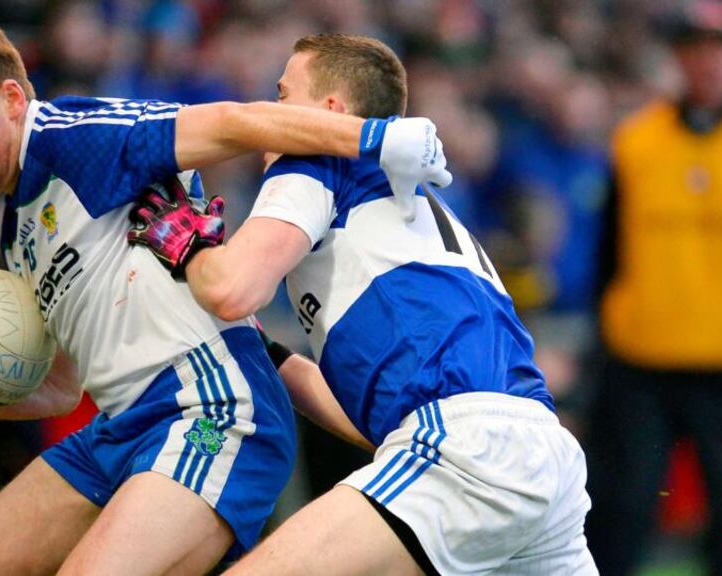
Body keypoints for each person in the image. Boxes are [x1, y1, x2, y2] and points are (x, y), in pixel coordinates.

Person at [0, 17, 451, 575]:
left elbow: (231, 122)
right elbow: (60, 389)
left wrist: (374, 139)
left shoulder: (76, 138)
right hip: (120, 428)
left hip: (209, 409)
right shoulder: (18, 230)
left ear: (10, 99)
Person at [128, 33, 597, 575]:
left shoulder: (317, 162)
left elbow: (231, 290)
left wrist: (189, 246)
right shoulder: (414, 206)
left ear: (331, 112)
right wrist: (262, 350)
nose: (267, 115)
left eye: (282, 96)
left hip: (464, 446)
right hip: (541, 452)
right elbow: (371, 425)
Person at [585, 2, 722, 574]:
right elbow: (609, 252)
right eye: (694, 49)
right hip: (643, 360)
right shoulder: (637, 142)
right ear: (676, 58)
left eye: (718, 48)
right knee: (624, 506)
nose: (707, 62)